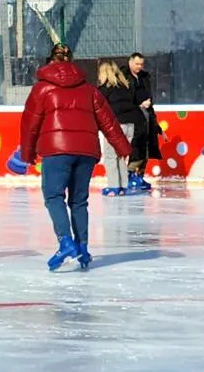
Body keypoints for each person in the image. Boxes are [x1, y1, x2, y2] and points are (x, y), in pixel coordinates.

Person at [19, 45, 130, 272]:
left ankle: (65, 243)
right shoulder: (89, 90)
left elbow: (30, 124)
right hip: (86, 152)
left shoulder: (41, 89)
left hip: (57, 151)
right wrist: (124, 148)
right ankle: (83, 249)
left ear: (51, 61)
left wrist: (27, 154)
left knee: (53, 196)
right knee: (79, 201)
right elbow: (108, 121)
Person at [95, 59, 142, 196]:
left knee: (110, 157)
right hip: (130, 125)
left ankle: (113, 187)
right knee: (121, 156)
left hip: (115, 126)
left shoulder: (104, 89)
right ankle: (123, 187)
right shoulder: (126, 87)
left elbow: (99, 108)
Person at [127, 52, 160, 191]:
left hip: (146, 115)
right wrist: (139, 105)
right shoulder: (124, 77)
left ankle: (140, 176)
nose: (139, 67)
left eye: (141, 64)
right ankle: (129, 175)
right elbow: (124, 99)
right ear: (130, 62)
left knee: (146, 146)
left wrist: (156, 124)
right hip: (132, 117)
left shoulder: (145, 77)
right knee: (136, 146)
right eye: (137, 64)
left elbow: (149, 96)